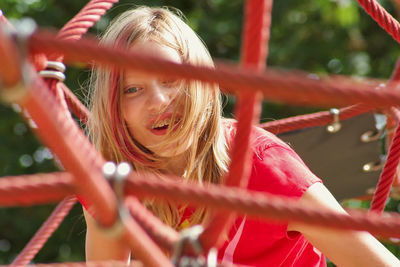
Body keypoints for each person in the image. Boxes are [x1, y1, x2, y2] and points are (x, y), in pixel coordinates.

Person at [82, 6, 400, 266]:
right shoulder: (111, 176)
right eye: (132, 89)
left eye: (170, 79)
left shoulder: (268, 171)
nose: (158, 101)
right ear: (113, 107)